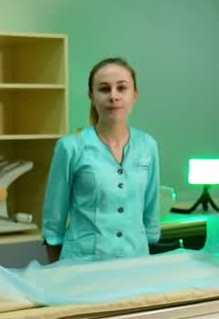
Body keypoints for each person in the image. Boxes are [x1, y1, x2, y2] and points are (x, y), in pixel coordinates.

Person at [41, 57, 161, 263]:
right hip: (83, 264)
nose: (113, 96)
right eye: (104, 89)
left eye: (122, 88)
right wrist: (54, 274)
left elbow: (151, 209)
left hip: (136, 260)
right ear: (91, 96)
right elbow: (54, 221)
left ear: (135, 95)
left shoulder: (147, 145)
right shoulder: (71, 147)